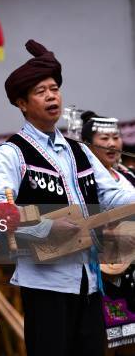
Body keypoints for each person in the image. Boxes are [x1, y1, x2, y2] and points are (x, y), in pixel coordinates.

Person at [0, 39, 135, 356]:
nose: (52, 96)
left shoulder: (78, 149)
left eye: (54, 88)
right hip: (46, 284)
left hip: (89, 279)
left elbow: (115, 196)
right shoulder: (11, 153)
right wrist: (40, 227)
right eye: (41, 91)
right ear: (22, 104)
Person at [79, 113, 135, 354]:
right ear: (89, 146)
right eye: (104, 138)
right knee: (105, 344)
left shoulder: (128, 176)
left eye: (116, 137)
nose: (113, 143)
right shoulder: (84, 181)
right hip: (105, 272)